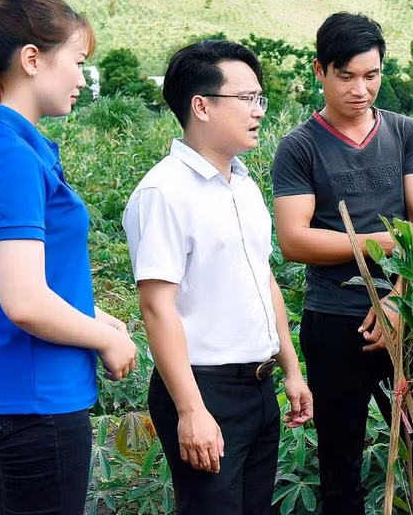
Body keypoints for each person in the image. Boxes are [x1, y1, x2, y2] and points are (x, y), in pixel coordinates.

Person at [0, 0, 137, 515]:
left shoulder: (10, 144)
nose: (81, 79)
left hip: (30, 388)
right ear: (31, 59)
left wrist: (95, 315)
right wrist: (105, 341)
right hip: (35, 396)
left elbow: (33, 277)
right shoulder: (10, 155)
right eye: (78, 62)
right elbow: (23, 299)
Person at [272, 12, 413, 513]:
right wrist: (383, 242)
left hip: (408, 312)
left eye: (371, 75)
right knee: (341, 462)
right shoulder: (299, 146)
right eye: (346, 76)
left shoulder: (403, 131)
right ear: (320, 71)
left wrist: (398, 297)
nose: (361, 88)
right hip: (334, 318)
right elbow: (294, 240)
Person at [122, 39, 313, 515]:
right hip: (203, 387)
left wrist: (290, 370)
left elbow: (263, 279)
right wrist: (191, 410)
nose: (258, 111)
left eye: (259, 98)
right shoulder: (163, 192)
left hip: (258, 384)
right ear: (201, 106)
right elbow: (156, 306)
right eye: (246, 98)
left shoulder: (243, 185)